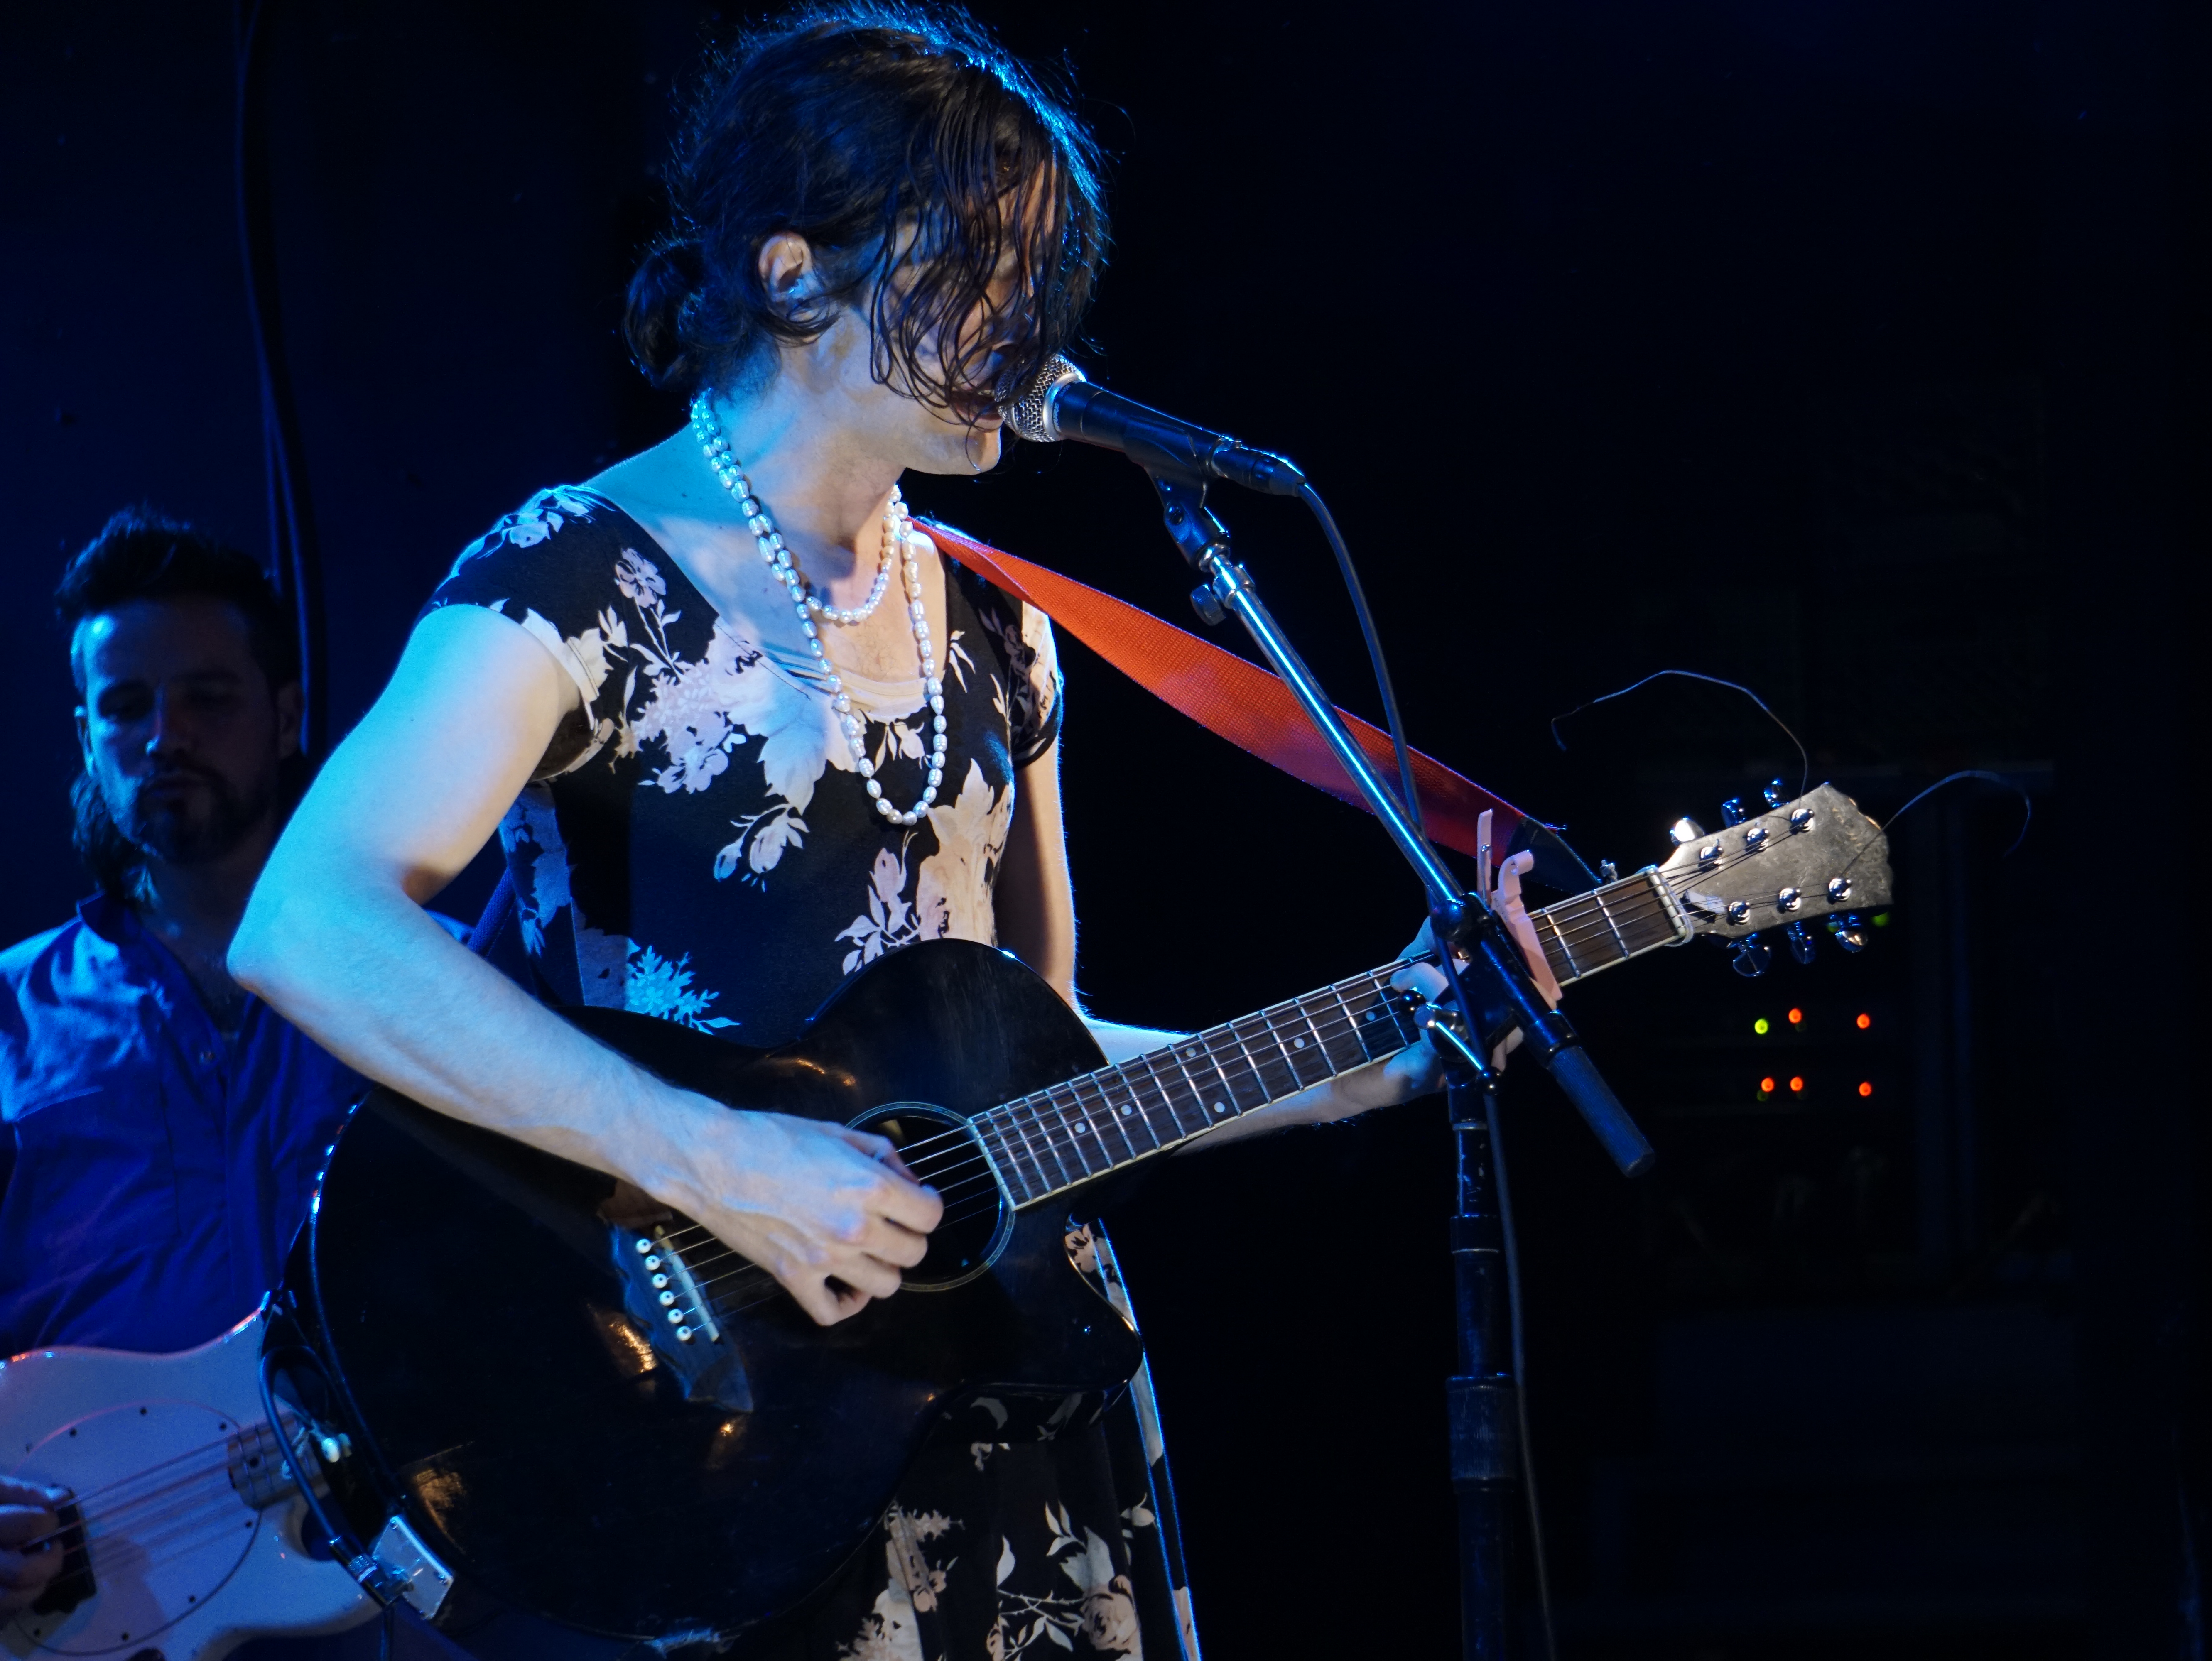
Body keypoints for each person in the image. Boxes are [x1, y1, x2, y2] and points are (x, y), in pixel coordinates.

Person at [232, 9, 1452, 1659]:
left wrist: (1367, 1058)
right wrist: (715, 1158)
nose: (1029, 323)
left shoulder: (1001, 631)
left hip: (1008, 1411)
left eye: (1043, 279)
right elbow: (309, 920)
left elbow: (1039, 1066)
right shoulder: (575, 575)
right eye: (981, 269)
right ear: (795, 274)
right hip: (722, 1420)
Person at [0, 510, 354, 1619]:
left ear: (285, 716)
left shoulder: (429, 987)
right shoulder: (7, 1014)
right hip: (94, 1606)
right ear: (86, 734)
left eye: (207, 697)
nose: (164, 736)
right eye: (126, 707)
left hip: (399, 1578)